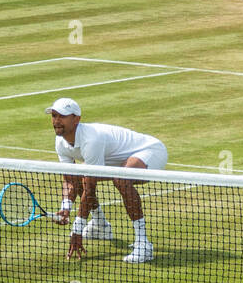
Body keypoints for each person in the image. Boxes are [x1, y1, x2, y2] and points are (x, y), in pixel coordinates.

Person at [46, 97, 165, 264]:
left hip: (150, 151)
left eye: (62, 116)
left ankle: (143, 244)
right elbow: (71, 178)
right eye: (54, 116)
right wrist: (65, 207)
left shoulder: (91, 139)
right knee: (82, 175)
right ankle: (100, 225)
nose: (56, 121)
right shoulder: (61, 142)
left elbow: (90, 187)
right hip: (118, 160)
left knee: (120, 178)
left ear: (76, 119)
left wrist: (77, 229)